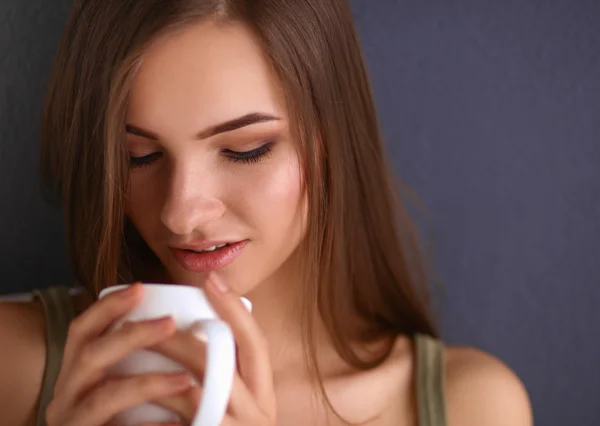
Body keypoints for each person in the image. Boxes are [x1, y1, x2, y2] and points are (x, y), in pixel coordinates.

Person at [0, 1, 532, 425]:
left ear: (331, 142)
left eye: (245, 149)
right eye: (138, 156)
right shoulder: (18, 368)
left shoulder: (472, 407)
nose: (180, 214)